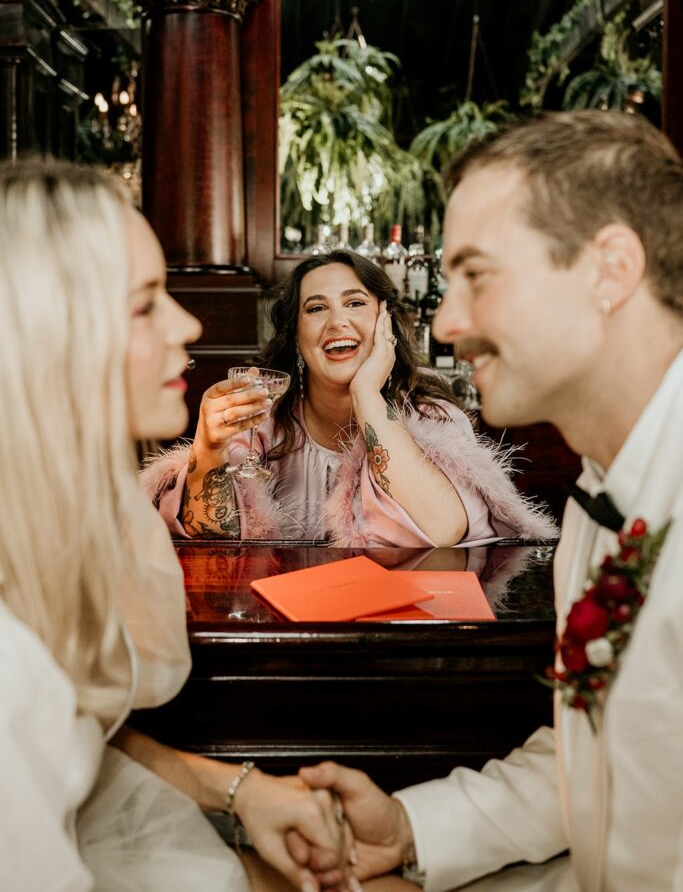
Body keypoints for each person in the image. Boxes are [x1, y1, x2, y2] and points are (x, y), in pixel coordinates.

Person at [295, 110, 683, 892]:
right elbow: (599, 761)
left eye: (477, 275)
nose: (445, 321)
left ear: (610, 270)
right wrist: (412, 829)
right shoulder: (598, 502)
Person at [0, 159, 352, 892]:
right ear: (42, 336)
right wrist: (207, 456)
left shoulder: (62, 503)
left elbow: (69, 725)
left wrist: (238, 790)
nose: (188, 324)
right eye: (143, 303)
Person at [143, 250, 556, 548]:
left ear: (385, 321)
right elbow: (210, 542)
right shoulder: (259, 425)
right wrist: (209, 448)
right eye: (316, 308)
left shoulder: (433, 419)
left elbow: (444, 530)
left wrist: (366, 394)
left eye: (355, 303)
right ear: (297, 335)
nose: (337, 321)